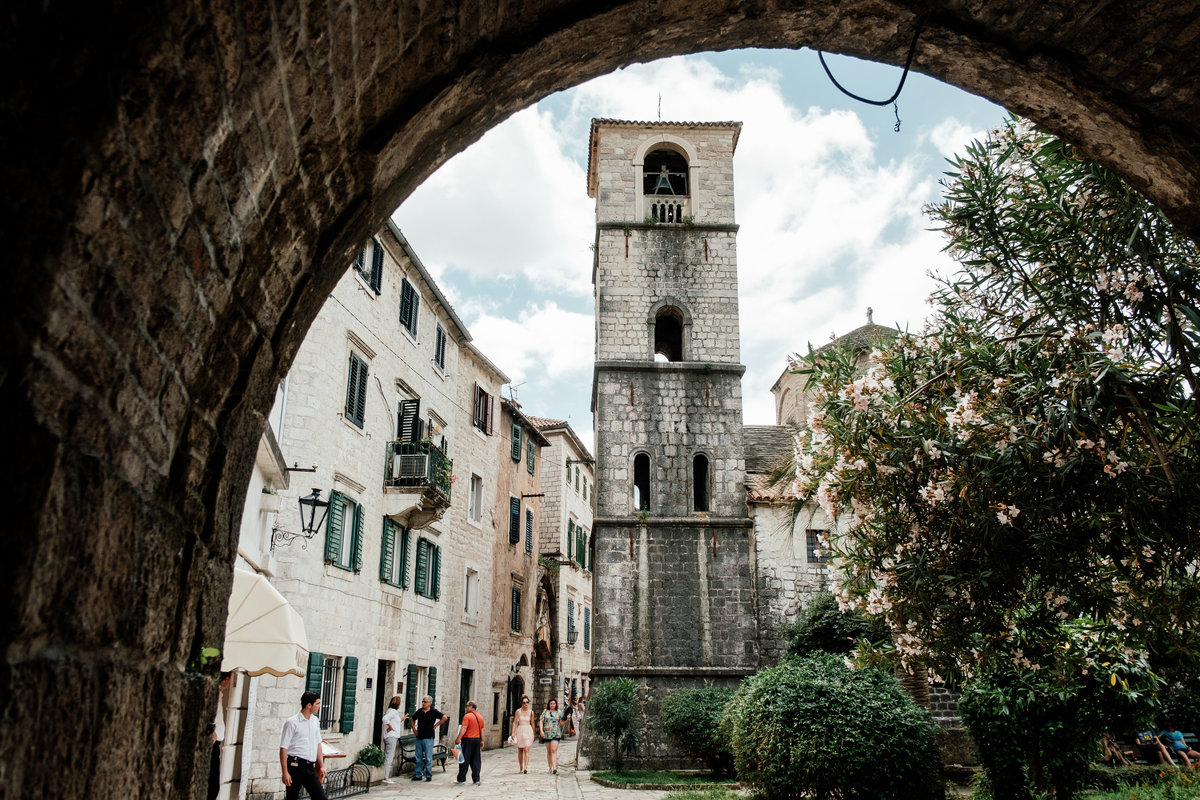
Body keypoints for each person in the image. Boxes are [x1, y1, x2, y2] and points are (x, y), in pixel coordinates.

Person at [279, 690, 328, 800]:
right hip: (295, 765)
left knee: (321, 797)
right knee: (292, 797)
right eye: (317, 703)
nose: (319, 706)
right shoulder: (292, 722)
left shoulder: (315, 721)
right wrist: (285, 772)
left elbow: (318, 744)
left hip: (309, 767)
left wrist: (321, 766)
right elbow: (283, 748)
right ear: (309, 705)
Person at [403, 696, 448, 782]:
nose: (423, 703)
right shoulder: (420, 711)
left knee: (428, 757)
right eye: (422, 702)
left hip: (429, 737)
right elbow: (412, 719)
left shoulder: (433, 711)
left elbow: (444, 717)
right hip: (420, 737)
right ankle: (418, 774)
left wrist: (436, 725)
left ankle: (428, 775)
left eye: (425, 702)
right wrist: (414, 729)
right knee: (418, 757)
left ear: (430, 703)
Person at [208, 671, 233, 800]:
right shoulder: (213, 693)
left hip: (215, 743)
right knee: (212, 787)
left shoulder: (219, 694)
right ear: (226, 679)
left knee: (213, 786)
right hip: (212, 743)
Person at [454, 699, 486, 784]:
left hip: (468, 740)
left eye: (467, 706)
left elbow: (464, 728)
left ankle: (461, 778)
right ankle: (476, 779)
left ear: (471, 707)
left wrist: (458, 738)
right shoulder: (480, 717)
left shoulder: (467, 716)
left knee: (464, 759)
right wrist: (482, 740)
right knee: (476, 759)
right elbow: (482, 730)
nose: (465, 708)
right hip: (477, 740)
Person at [380, 695, 403, 784]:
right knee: (389, 757)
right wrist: (390, 727)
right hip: (392, 736)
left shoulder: (390, 711)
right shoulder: (393, 712)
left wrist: (402, 719)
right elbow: (385, 719)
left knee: (387, 755)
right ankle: (386, 777)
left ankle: (385, 775)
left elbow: (394, 722)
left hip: (388, 736)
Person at [512, 694, 535, 773]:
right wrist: (513, 733)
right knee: (520, 749)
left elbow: (532, 723)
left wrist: (534, 734)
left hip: (528, 730)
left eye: (527, 702)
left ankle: (525, 767)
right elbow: (514, 722)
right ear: (521, 703)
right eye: (524, 702)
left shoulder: (531, 712)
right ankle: (521, 766)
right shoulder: (518, 711)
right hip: (520, 730)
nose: (525, 704)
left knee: (527, 748)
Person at [539, 698, 562, 774]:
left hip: (556, 733)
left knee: (553, 750)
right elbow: (541, 721)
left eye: (554, 704)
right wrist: (541, 731)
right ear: (549, 704)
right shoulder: (545, 712)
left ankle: (554, 767)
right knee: (549, 752)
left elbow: (561, 722)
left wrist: (567, 719)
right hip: (547, 734)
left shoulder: (559, 712)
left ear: (556, 705)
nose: (552, 705)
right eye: (551, 703)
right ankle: (550, 767)